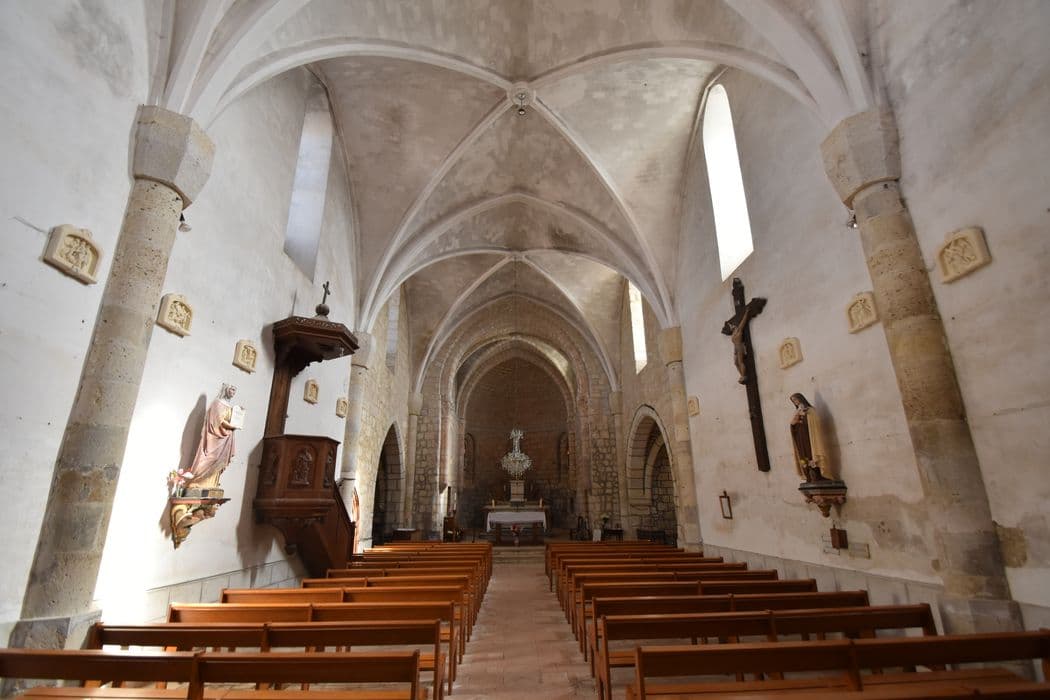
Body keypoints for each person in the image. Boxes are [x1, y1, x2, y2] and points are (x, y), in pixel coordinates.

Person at [184, 384, 239, 490]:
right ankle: (197, 482)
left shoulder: (229, 406)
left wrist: (239, 413)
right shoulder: (217, 403)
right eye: (232, 389)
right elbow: (218, 421)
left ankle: (212, 484)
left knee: (219, 460)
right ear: (226, 389)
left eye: (235, 391)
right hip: (214, 437)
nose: (233, 393)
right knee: (210, 458)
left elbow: (231, 419)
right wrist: (231, 426)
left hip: (224, 439)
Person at [789, 393, 832, 482]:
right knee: (803, 456)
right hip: (800, 438)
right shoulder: (796, 412)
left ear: (801, 399)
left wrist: (804, 416)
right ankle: (808, 475)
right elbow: (793, 424)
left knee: (811, 453)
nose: (795, 402)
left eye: (795, 399)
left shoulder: (810, 411)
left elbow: (814, 424)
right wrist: (794, 423)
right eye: (793, 401)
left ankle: (818, 475)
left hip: (810, 437)